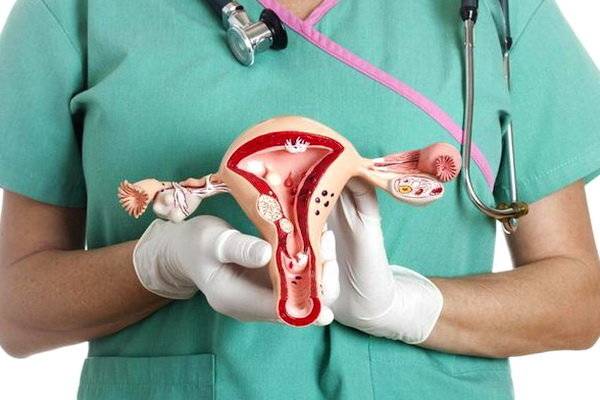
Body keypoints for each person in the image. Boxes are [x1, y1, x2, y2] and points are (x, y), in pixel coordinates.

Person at [0, 0, 599, 399]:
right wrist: (157, 267)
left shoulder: (497, 10)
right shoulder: (77, 9)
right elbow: (15, 314)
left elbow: (578, 301)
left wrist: (410, 308)